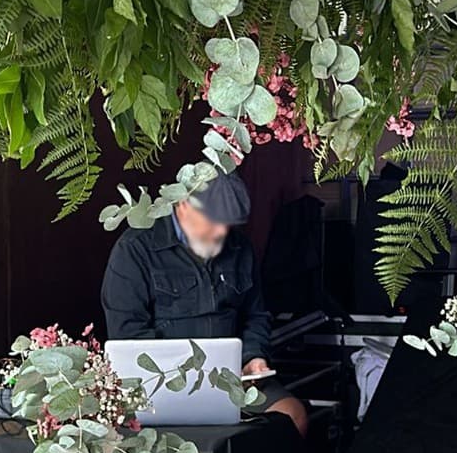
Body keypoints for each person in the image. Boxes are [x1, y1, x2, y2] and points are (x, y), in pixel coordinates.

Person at [101, 173, 308, 434]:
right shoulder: (135, 249)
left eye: (229, 225)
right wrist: (181, 378)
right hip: (164, 385)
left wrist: (253, 357)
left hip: (233, 378)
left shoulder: (240, 247)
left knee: (292, 417)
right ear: (183, 206)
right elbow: (127, 333)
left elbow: (256, 315)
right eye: (214, 221)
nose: (222, 232)